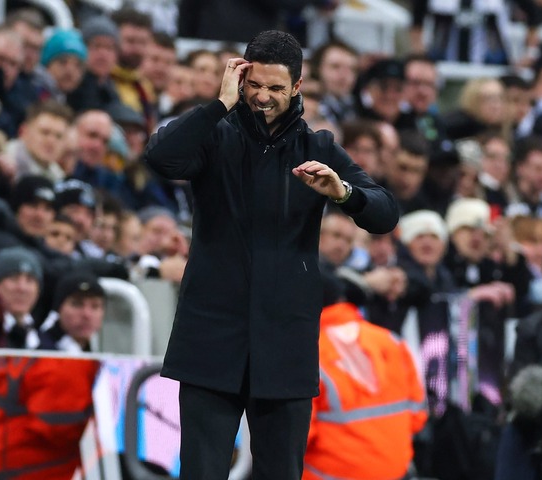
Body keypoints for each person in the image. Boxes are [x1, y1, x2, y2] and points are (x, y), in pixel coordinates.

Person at [143, 30, 399, 479]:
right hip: (211, 337)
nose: (262, 97)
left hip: (285, 343)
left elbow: (385, 213)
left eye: (276, 88)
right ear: (240, 79)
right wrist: (218, 104)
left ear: (297, 87)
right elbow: (162, 157)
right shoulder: (214, 133)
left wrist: (344, 192)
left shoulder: (317, 147)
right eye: (254, 85)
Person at [302, 273, 427, 480]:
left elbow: (299, 437)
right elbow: (417, 417)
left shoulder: (309, 352)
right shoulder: (391, 341)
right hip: (395, 472)